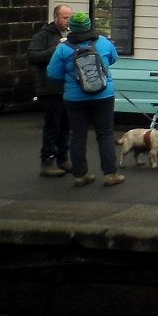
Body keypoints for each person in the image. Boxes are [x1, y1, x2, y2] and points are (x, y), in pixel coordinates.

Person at [46, 12, 122, 187]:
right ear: (89, 25)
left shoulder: (63, 48)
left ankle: (81, 175)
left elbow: (53, 73)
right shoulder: (102, 42)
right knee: (105, 134)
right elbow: (113, 59)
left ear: (71, 27)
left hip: (75, 97)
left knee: (78, 135)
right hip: (103, 94)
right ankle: (111, 174)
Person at [27, 3, 72, 177]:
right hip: (50, 87)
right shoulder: (43, 35)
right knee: (52, 126)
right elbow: (32, 56)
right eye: (65, 17)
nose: (68, 21)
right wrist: (56, 50)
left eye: (70, 17)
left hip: (66, 87)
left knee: (66, 125)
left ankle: (63, 159)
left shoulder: (70, 35)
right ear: (56, 17)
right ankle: (47, 161)